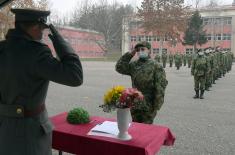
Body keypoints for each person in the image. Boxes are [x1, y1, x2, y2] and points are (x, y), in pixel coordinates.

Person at [0, 8, 83, 155]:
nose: (41, 35)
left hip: (4, 127)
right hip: (29, 131)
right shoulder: (36, 52)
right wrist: (59, 41)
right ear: (34, 27)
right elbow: (75, 76)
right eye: (42, 30)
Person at [115, 41, 168, 124]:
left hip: (148, 103)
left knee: (146, 130)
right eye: (138, 50)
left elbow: (160, 87)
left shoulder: (156, 66)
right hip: (135, 102)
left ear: (149, 50)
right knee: (136, 126)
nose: (140, 51)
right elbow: (119, 67)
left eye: (143, 49)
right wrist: (130, 54)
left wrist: (156, 106)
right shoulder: (134, 65)